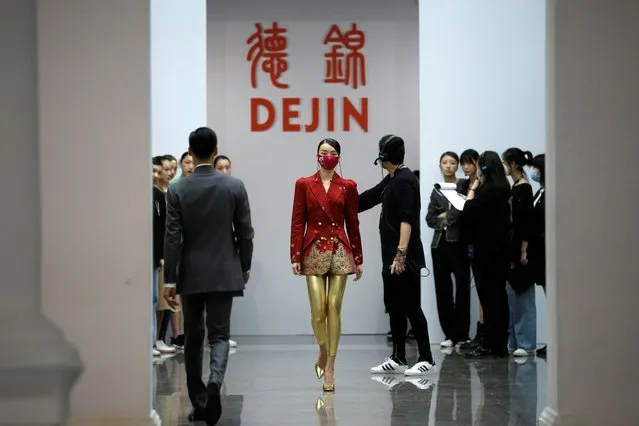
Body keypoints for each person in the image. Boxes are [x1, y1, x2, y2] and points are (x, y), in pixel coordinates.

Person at [164, 127, 254, 425]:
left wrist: (170, 279)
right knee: (219, 335)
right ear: (215, 151)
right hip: (225, 270)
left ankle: (199, 401)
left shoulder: (178, 189)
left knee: (192, 337)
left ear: (190, 152)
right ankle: (215, 380)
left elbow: (172, 237)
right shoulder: (234, 186)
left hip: (190, 274)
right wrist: (244, 264)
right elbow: (245, 232)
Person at [290, 138, 363, 392]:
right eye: (323, 152)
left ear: (339, 157)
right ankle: (323, 349)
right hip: (313, 250)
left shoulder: (348, 186)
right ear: (316, 155)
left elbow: (353, 222)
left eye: (332, 153)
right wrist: (295, 255)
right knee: (318, 311)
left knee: (334, 306)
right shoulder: (304, 184)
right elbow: (298, 221)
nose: (328, 156)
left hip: (340, 249)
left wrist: (359, 258)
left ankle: (331, 366)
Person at [359, 134, 435, 376]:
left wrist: (401, 255)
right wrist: (339, 199)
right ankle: (398, 357)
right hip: (389, 257)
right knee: (394, 306)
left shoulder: (404, 181)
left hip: (404, 258)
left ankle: (426, 358)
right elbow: (367, 199)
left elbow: (407, 219)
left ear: (384, 155)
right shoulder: (392, 179)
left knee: (411, 306)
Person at [452, 151, 511, 358]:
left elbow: (467, 209)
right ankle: (499, 344)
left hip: (486, 252)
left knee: (489, 299)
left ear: (483, 168)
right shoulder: (504, 187)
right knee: (500, 299)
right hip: (500, 252)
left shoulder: (487, 190)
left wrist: (473, 188)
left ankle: (489, 344)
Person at [426, 152, 471, 348]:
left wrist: (446, 216)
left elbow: (461, 211)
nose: (448, 166)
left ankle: (462, 334)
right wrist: (443, 218)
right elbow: (429, 218)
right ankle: (449, 334)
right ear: (440, 165)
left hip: (458, 243)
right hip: (439, 244)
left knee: (462, 288)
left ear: (457, 166)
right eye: (444, 162)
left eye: (452, 163)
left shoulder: (464, 185)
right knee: (443, 290)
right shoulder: (437, 190)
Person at [502, 148, 536, 357]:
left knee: (523, 296)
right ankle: (515, 340)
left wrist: (523, 250)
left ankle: (526, 342)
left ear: (513, 164)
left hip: (520, 251)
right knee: (513, 296)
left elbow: (526, 224)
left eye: (505, 162)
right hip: (512, 249)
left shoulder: (524, 189)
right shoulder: (515, 188)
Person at [457, 149, 485, 351]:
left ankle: (482, 333)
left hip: (479, 238)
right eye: (463, 163)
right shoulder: (462, 184)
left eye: (469, 163)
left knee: (482, 288)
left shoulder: (482, 185)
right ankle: (474, 333)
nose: (466, 167)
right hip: (464, 238)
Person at [528, 154, 546, 356]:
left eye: (536, 168)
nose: (534, 172)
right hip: (537, 252)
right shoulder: (540, 192)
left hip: (544, 250)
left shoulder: (549, 193)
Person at [152, 157, 167, 357]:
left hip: (155, 258)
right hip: (138, 256)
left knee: (154, 298)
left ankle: (154, 340)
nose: (155, 175)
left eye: (157, 172)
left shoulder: (157, 196)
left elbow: (162, 227)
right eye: (152, 171)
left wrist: (162, 255)